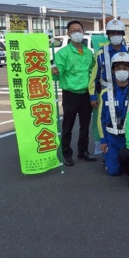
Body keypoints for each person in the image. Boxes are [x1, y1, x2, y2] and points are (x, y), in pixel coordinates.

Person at [51, 20, 96, 166]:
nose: (77, 32)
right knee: (68, 126)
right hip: (70, 93)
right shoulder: (63, 53)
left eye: (79, 30)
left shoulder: (89, 53)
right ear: (68, 33)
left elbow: (93, 71)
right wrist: (56, 72)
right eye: (73, 30)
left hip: (86, 94)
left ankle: (83, 151)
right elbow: (57, 73)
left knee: (85, 125)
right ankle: (67, 154)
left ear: (83, 32)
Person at [98, 52, 129, 176]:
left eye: (125, 68)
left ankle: (127, 160)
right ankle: (110, 159)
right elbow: (101, 118)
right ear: (113, 71)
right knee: (114, 172)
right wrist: (103, 140)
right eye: (118, 68)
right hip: (112, 138)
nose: (122, 71)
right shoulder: (105, 92)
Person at [89, 19, 129, 109]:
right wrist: (93, 96)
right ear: (108, 35)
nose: (115, 36)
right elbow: (94, 77)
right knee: (105, 119)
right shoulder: (101, 53)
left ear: (123, 35)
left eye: (118, 33)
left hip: (126, 93)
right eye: (112, 33)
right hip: (106, 93)